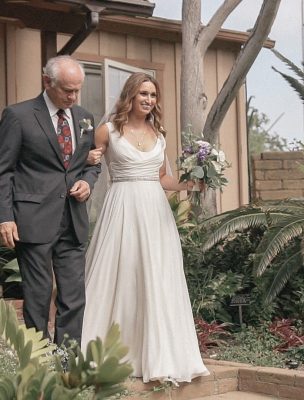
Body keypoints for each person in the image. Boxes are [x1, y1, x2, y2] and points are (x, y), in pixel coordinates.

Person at [81, 72, 209, 384]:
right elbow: (87, 165)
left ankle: (161, 354)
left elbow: (162, 178)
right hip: (122, 207)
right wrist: (87, 159)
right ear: (130, 96)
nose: (149, 100)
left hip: (155, 211)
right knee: (122, 275)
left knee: (157, 276)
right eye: (143, 94)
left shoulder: (159, 133)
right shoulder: (108, 130)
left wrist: (189, 183)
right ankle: (109, 354)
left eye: (153, 95)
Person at [0, 55, 100, 345]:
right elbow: (4, 170)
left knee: (74, 297)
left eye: (77, 90)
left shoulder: (84, 118)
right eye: (67, 90)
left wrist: (87, 182)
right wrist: (5, 216)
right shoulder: (18, 116)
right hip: (33, 221)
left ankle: (67, 370)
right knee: (38, 297)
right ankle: (38, 367)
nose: (73, 96)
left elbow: (91, 163)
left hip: (73, 220)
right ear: (47, 82)